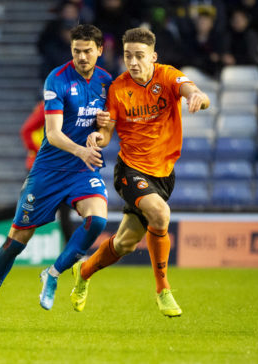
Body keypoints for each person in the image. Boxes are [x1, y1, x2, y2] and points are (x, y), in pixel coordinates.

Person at [0, 24, 112, 331]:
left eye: (88, 51)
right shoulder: (57, 79)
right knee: (16, 242)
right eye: (76, 51)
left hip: (81, 171)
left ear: (100, 50)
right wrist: (82, 151)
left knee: (97, 220)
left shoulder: (105, 82)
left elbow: (106, 136)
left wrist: (101, 134)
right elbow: (53, 134)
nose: (82, 57)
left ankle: (54, 273)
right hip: (48, 171)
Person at [70, 27, 210, 317]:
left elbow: (193, 91)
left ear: (153, 57)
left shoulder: (168, 76)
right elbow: (107, 133)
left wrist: (197, 97)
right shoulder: (118, 89)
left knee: (125, 243)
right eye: (127, 56)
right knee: (160, 214)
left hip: (163, 174)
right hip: (130, 170)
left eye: (139, 56)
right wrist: (97, 137)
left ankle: (82, 272)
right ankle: (163, 290)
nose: (132, 62)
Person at [0, 101, 74, 242]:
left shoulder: (69, 106)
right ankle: (74, 255)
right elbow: (26, 130)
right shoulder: (50, 105)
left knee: (37, 206)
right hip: (42, 167)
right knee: (38, 207)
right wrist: (42, 154)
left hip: (57, 168)